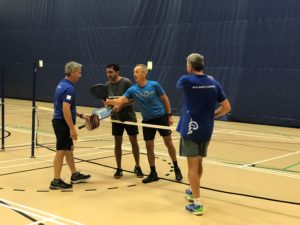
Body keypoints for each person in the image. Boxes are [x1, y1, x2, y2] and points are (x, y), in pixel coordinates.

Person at [106, 64, 183, 184]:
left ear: (144, 74)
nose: (134, 74)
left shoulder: (154, 85)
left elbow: (165, 99)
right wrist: (110, 101)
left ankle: (177, 168)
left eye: (137, 72)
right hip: (147, 120)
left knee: (168, 143)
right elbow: (121, 100)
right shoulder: (132, 90)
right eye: (134, 72)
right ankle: (153, 173)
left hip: (161, 118)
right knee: (149, 146)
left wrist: (169, 115)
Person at [176, 53, 231, 215]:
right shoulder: (214, 82)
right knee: (199, 163)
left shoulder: (185, 80)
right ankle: (193, 191)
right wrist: (212, 115)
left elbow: (182, 84)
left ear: (190, 66)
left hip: (190, 129)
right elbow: (227, 108)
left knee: (192, 166)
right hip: (206, 128)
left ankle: (197, 204)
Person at [50, 61, 91, 190]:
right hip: (62, 124)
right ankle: (56, 181)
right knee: (61, 151)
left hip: (60, 121)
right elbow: (65, 109)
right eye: (79, 73)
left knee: (69, 149)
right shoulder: (69, 88)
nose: (80, 75)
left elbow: (67, 107)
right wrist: (72, 129)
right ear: (72, 73)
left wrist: (79, 115)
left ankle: (74, 175)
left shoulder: (61, 84)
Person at [105, 64, 143, 179]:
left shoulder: (126, 82)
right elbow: (107, 102)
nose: (108, 74)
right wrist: (108, 106)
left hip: (129, 117)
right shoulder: (107, 85)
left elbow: (133, 99)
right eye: (107, 72)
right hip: (116, 119)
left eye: (111, 72)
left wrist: (121, 105)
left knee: (134, 142)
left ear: (117, 72)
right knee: (117, 143)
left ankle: (137, 166)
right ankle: (119, 168)